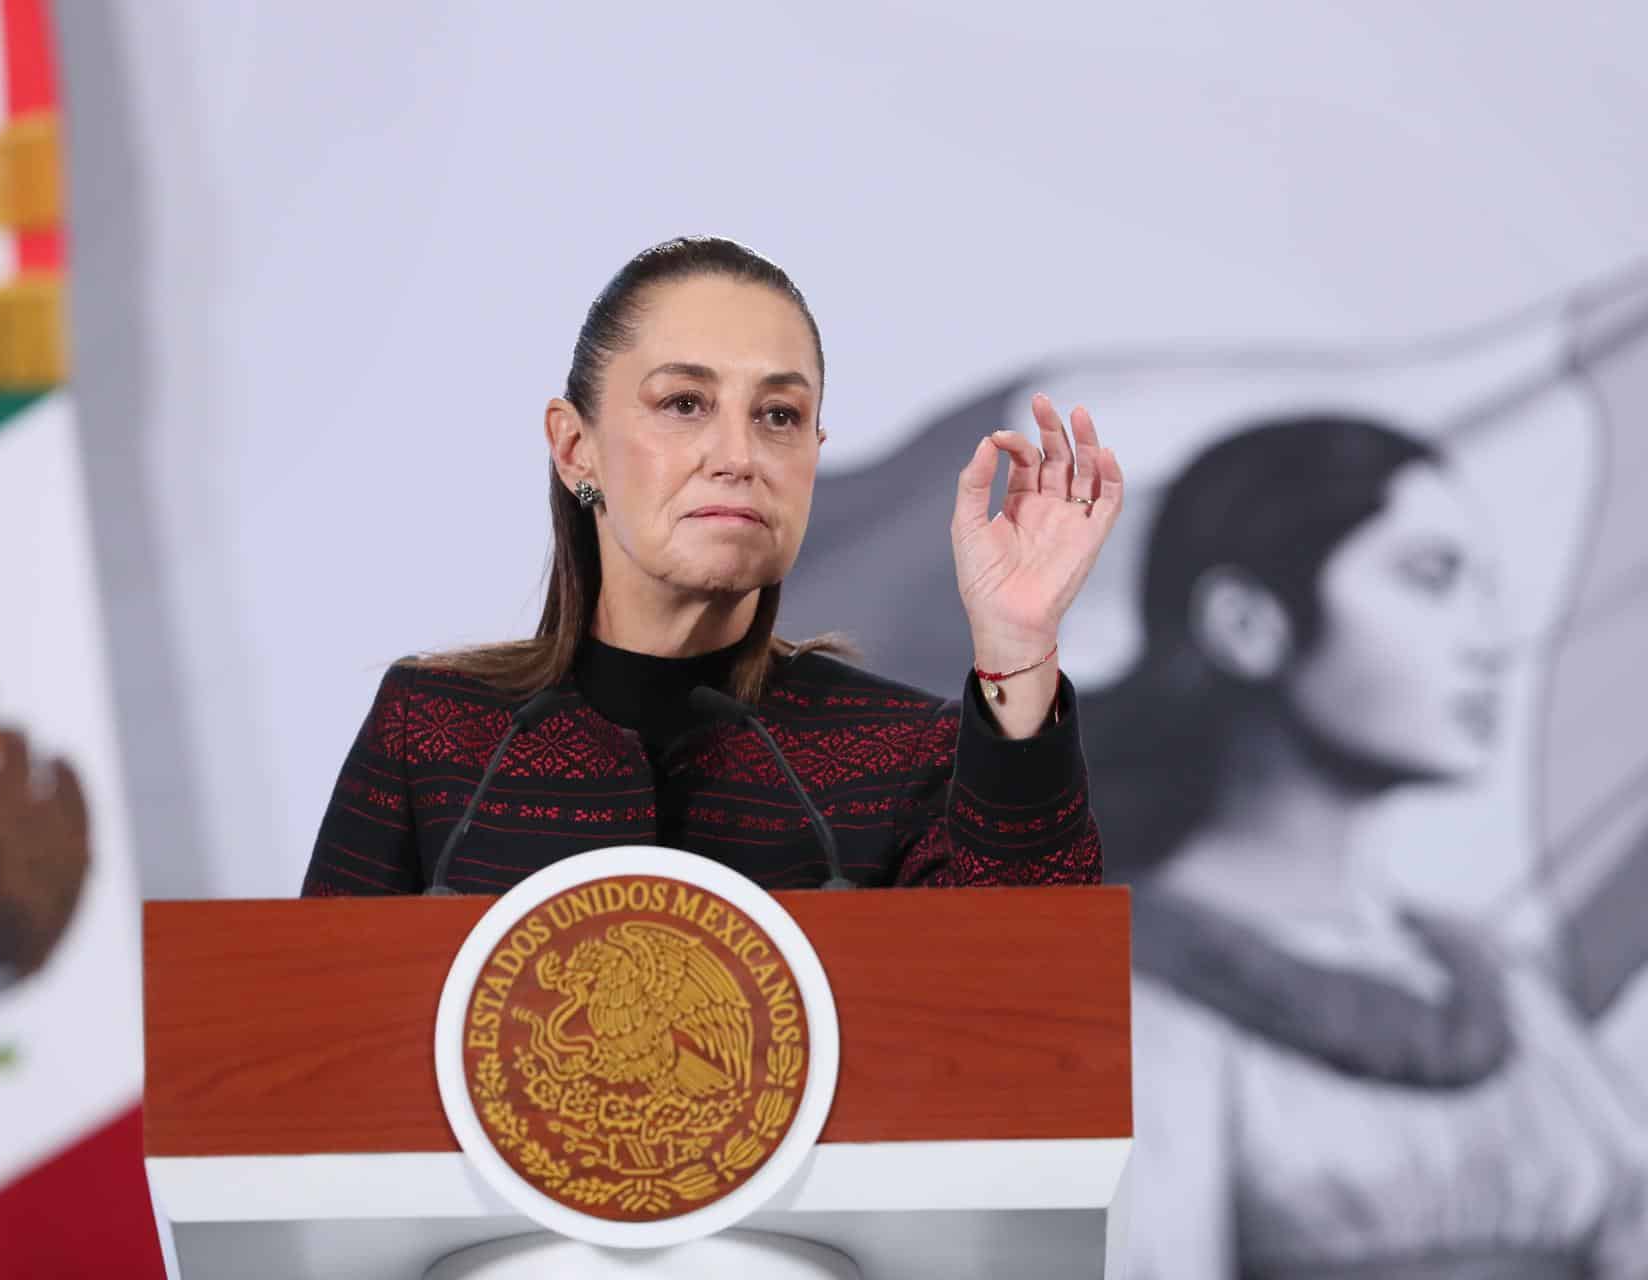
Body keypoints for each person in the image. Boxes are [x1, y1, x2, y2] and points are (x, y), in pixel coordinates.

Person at [299, 235, 1120, 897]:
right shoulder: (434, 732)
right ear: (574, 447)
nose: (739, 455)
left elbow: (1030, 1002)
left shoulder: (905, 754)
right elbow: (310, 1062)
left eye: (778, 415)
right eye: (684, 403)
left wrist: (1017, 646)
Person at [1086, 417, 1648, 1278]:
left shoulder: (1501, 988)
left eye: (1486, 589)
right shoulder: (1116, 998)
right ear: (1247, 623)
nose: (1489, 643)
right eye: (1431, 579)